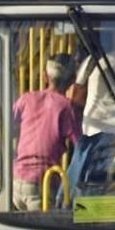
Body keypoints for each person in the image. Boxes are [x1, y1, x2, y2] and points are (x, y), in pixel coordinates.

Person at [12, 54, 82, 211]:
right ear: (72, 80)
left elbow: (1, 132)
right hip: (42, 183)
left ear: (44, 76)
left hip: (15, 181)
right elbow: (80, 146)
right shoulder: (66, 107)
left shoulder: (26, 99)